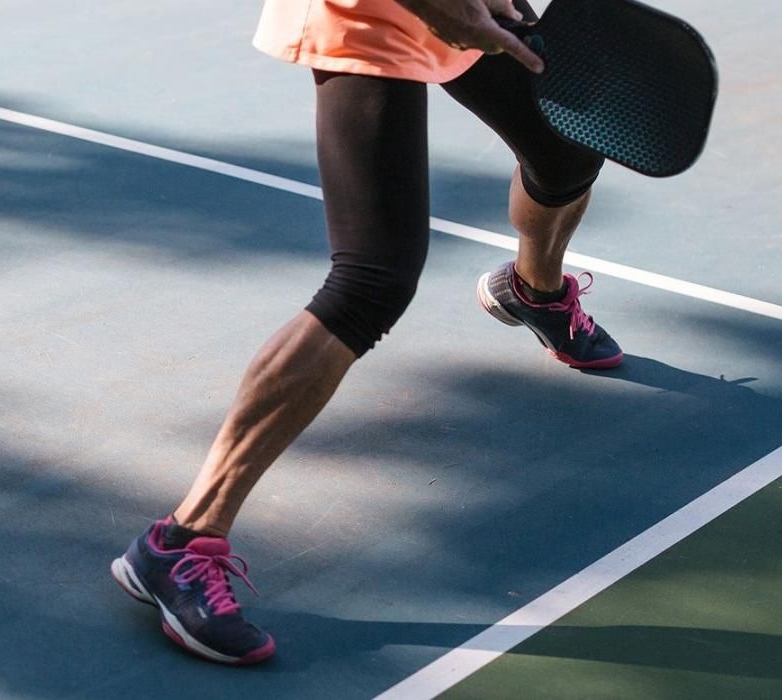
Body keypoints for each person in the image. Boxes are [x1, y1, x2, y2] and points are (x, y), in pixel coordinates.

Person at [108, 0, 623, 665]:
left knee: (567, 144)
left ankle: (536, 289)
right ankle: (181, 541)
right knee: (371, 281)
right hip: (373, 13)